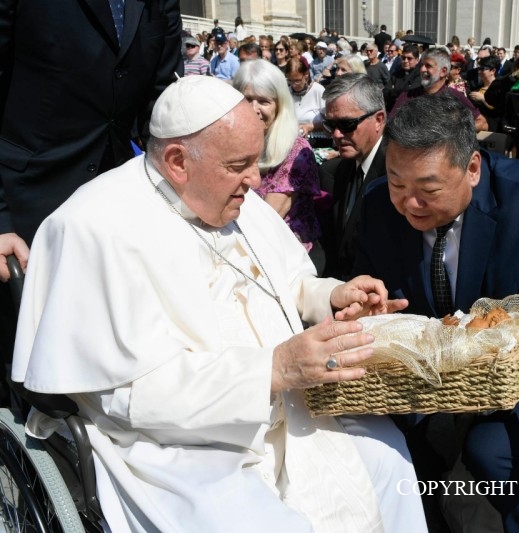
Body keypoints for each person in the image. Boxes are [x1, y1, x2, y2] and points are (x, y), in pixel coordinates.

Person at [11, 75, 426, 533]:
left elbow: (285, 280)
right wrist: (271, 369)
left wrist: (330, 294)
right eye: (240, 164)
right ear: (177, 162)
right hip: (179, 440)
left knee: (389, 463)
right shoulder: (92, 227)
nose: (255, 179)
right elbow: (128, 396)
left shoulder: (232, 195)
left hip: (286, 402)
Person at [354, 92, 519, 532]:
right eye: (396, 184)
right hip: (419, 378)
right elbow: (370, 291)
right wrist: (373, 309)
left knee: (495, 453)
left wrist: (489, 387)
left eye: (428, 190)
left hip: (518, 380)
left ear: (473, 169)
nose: (409, 204)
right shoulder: (376, 206)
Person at [0, 0, 182, 387]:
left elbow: (162, 100)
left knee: (99, 357)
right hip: (24, 201)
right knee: (20, 362)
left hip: (115, 201)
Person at [233, 60, 324, 272]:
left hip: (289, 257)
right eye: (246, 100)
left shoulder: (296, 150)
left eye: (264, 101)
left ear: (279, 105)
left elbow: (268, 216)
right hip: (243, 246)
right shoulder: (233, 143)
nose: (253, 109)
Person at [319, 74, 387, 279]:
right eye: (330, 125)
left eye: (347, 124)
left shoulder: (397, 175)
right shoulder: (335, 171)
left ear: (379, 120)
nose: (337, 134)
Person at [285, 59, 329, 147]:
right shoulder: (287, 92)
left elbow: (329, 122)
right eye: (290, 81)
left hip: (317, 140)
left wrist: (310, 127)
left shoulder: (318, 90)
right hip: (292, 141)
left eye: (297, 80)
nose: (293, 85)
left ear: (306, 75)